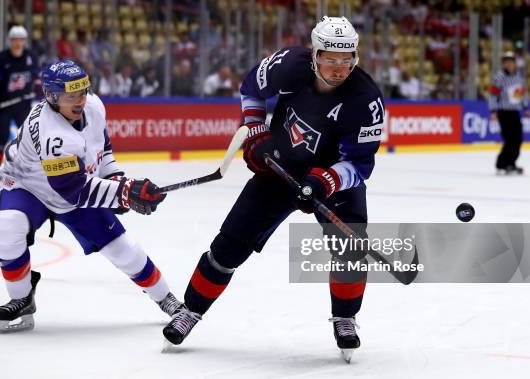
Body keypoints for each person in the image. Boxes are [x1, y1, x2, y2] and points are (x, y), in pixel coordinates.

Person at [163, 16, 384, 362]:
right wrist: (254, 130)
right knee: (228, 246)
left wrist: (324, 181)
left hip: (331, 178)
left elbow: (359, 166)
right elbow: (251, 88)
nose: (339, 68)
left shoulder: (366, 100)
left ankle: (344, 317)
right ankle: (190, 310)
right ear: (315, 54)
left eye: (346, 59)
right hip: (279, 168)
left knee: (351, 249)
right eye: (330, 58)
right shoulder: (287, 66)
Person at [0, 60, 182, 333]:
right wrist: (124, 193)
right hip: (28, 186)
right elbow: (73, 190)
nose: (79, 100)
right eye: (71, 95)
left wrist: (116, 179)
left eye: (82, 91)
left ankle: (166, 298)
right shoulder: (54, 135)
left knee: (123, 248)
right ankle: (21, 297)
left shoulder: (93, 106)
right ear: (51, 96)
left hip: (68, 185)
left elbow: (101, 151)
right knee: (7, 228)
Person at [0, 26, 39, 185]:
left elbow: (37, 78)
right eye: (15, 39)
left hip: (22, 105)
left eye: (21, 40)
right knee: (1, 137)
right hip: (2, 106)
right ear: (10, 41)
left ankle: (27, 170)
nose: (18, 43)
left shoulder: (31, 58)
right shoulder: (1, 59)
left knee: (27, 138)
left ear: (24, 41)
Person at [489, 51, 530, 175]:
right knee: (509, 139)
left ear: (514, 63)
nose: (509, 64)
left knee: (518, 139)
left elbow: (522, 93)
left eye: (511, 62)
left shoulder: (519, 77)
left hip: (515, 112)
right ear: (504, 64)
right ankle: (502, 164)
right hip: (504, 112)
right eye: (506, 62)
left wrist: (526, 107)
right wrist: (493, 110)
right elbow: (493, 95)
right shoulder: (499, 77)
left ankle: (511, 163)